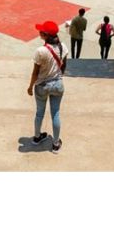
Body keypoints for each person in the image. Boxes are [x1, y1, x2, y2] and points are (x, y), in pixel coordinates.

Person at [27, 20, 66, 153]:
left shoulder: (40, 51)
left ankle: (37, 137)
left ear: (45, 35)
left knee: (39, 113)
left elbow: (35, 72)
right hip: (57, 84)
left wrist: (30, 86)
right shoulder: (63, 47)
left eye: (41, 31)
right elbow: (64, 67)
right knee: (55, 114)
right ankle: (55, 144)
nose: (39, 32)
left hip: (42, 86)